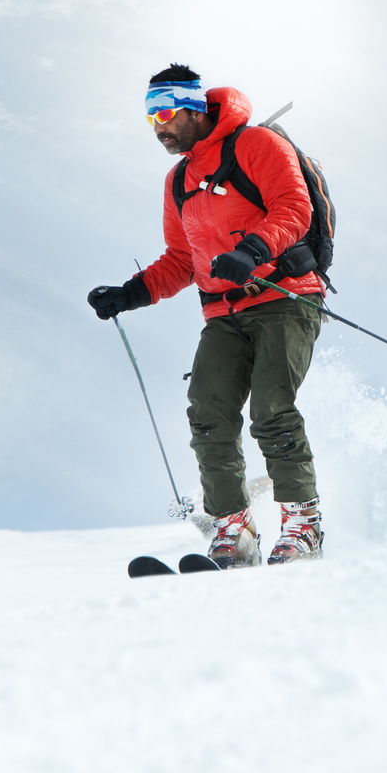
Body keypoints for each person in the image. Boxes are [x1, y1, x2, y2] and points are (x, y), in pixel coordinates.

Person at [88, 64, 326, 567]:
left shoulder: (256, 144)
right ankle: (233, 534)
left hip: (283, 295)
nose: (159, 125)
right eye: (150, 115)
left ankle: (303, 528)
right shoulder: (179, 181)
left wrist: (254, 250)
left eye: (167, 111)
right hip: (223, 311)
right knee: (208, 412)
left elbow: (293, 208)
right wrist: (129, 294)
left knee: (271, 408)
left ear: (195, 106)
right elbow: (181, 261)